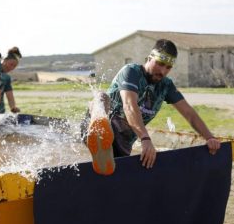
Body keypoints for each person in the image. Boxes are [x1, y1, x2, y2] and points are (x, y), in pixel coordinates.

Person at [82, 39, 221, 175]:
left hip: (122, 144)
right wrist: (145, 138)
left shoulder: (166, 86)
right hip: (98, 125)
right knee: (101, 97)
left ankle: (105, 151)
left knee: (109, 178)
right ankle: (98, 131)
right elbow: (130, 105)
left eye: (168, 67)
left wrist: (209, 138)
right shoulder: (131, 72)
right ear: (149, 58)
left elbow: (189, 113)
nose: (163, 71)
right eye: (160, 64)